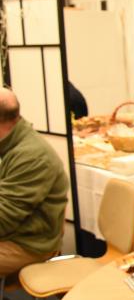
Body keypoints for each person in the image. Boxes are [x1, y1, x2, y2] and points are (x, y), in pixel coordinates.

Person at [0, 88, 68, 277]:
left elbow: (4, 219)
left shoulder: (31, 156)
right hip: (14, 232)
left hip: (28, 244)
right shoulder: (9, 143)